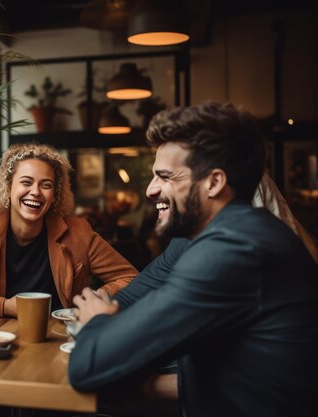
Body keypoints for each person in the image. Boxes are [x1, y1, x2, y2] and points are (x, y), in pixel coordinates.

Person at [68, 101, 318, 417]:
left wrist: (98, 322)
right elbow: (253, 369)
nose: (149, 190)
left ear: (213, 182)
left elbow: (87, 367)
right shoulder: (227, 235)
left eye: (165, 177)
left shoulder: (233, 249)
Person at [0, 143, 137, 317]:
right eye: (26, 182)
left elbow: (130, 279)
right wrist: (5, 306)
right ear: (8, 187)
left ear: (54, 195)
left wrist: (94, 300)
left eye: (46, 185)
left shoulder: (78, 231)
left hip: (59, 338)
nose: (35, 192)